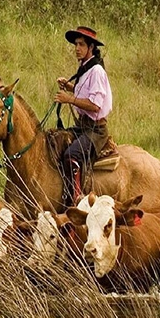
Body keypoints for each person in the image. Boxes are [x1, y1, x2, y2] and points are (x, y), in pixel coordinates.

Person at [54, 26, 113, 207]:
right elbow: (87, 94)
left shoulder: (96, 71)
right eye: (76, 44)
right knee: (55, 139)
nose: (77, 48)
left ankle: (75, 200)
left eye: (81, 44)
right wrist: (71, 87)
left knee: (72, 155)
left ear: (91, 47)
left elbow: (95, 105)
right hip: (83, 126)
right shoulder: (85, 67)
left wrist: (70, 99)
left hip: (95, 129)